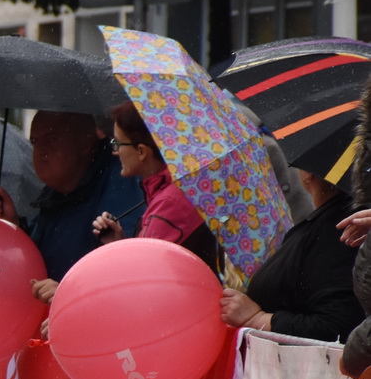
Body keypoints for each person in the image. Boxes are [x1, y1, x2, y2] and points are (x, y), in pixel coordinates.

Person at [0, 111, 144, 302]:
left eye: (52, 138)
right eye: (34, 141)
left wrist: (68, 291)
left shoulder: (122, 181)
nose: (40, 150)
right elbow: (42, 257)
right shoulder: (59, 191)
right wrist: (13, 225)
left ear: (85, 143)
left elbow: (121, 271)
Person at [219, 169, 357, 341]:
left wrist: (257, 319)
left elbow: (336, 327)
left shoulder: (339, 228)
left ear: (308, 174)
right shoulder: (339, 220)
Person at [92, 101, 216, 264]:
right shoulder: (174, 190)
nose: (115, 152)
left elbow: (143, 274)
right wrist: (118, 244)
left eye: (118, 143)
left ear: (142, 151)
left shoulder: (170, 203)